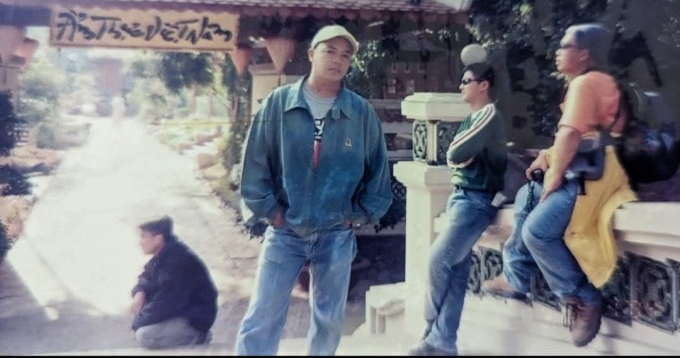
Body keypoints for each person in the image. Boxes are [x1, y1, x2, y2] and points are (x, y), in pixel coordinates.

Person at [234, 24, 393, 356]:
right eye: (329, 51)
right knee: (263, 315)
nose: (337, 60)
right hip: (285, 232)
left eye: (345, 55)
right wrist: (272, 213)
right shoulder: (279, 103)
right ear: (311, 54)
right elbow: (255, 163)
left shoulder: (359, 112)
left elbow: (378, 169)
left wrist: (360, 213)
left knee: (328, 319)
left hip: (336, 233)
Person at [483, 23, 638, 347]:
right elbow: (582, 135)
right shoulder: (595, 81)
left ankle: (582, 297)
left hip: (594, 175)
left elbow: (571, 134)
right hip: (587, 167)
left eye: (565, 46)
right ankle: (516, 277)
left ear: (584, 54)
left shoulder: (586, 82)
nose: (558, 52)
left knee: (537, 232)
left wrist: (553, 177)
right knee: (526, 195)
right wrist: (547, 157)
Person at [407, 62, 507, 356]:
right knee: (455, 274)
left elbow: (454, 153)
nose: (461, 86)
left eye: (466, 81)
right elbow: (457, 155)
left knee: (437, 261)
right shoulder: (472, 119)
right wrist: (460, 157)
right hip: (462, 197)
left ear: (484, 85)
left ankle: (430, 329)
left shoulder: (488, 114)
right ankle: (443, 342)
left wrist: (460, 156)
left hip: (475, 201)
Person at [130, 215, 218, 350]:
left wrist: (138, 321)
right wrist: (140, 291)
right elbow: (146, 275)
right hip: (180, 311)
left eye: (143, 237)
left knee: (145, 336)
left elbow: (165, 303)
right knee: (145, 323)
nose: (140, 242)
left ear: (158, 239)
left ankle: (199, 336)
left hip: (194, 319)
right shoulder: (164, 254)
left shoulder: (177, 262)